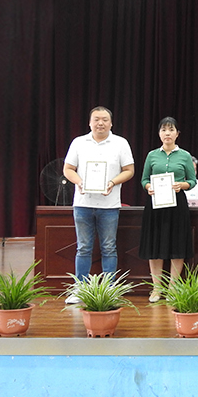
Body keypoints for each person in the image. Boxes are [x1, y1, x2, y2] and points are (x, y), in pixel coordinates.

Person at [63, 106, 135, 303]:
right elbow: (68, 169)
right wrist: (79, 182)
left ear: (111, 123)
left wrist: (112, 182)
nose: (100, 123)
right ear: (90, 122)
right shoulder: (79, 142)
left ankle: (109, 290)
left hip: (109, 205)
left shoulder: (120, 143)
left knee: (109, 247)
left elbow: (129, 170)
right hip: (83, 203)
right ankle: (80, 289)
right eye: (96, 119)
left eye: (104, 119)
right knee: (83, 247)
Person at [139, 117, 197, 303]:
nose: (167, 133)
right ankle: (156, 288)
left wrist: (183, 185)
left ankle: (173, 288)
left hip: (177, 203)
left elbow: (192, 181)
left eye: (171, 130)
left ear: (177, 134)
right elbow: (144, 179)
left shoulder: (185, 156)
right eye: (164, 130)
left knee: (177, 245)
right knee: (155, 245)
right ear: (159, 134)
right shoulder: (152, 155)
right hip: (155, 204)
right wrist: (148, 187)